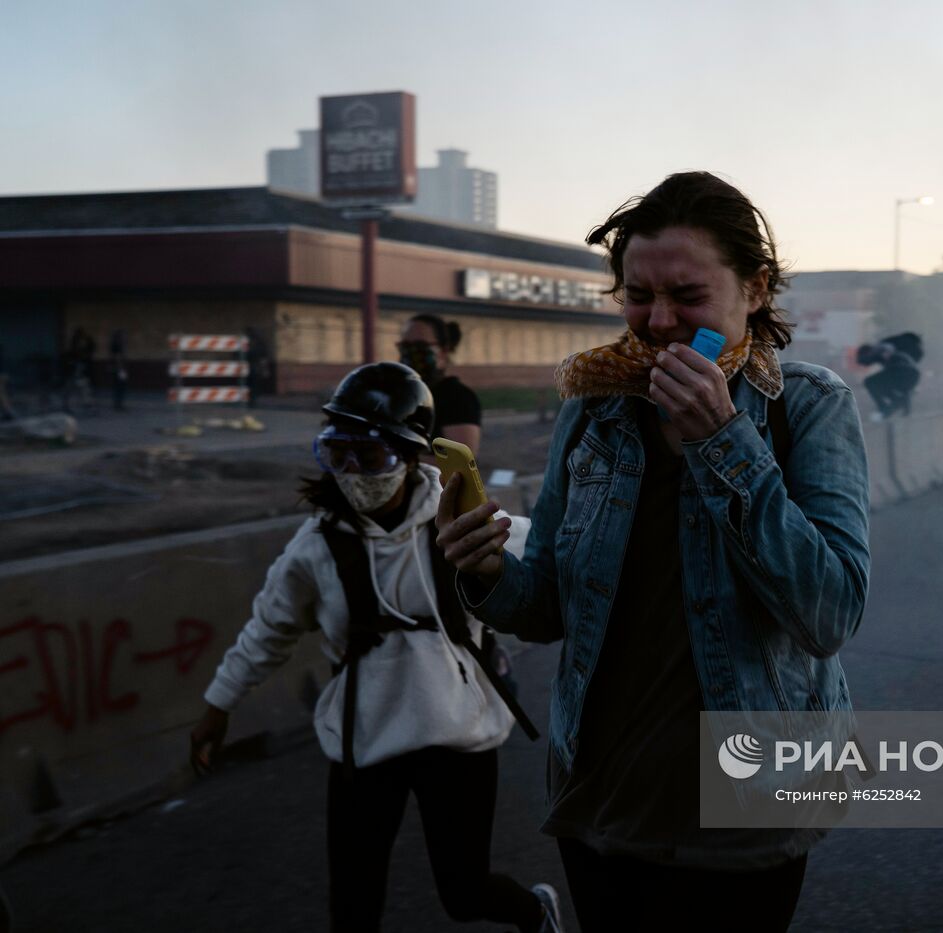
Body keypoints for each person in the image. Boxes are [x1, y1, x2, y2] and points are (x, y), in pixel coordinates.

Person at [435, 171, 871, 931]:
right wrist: (485, 570)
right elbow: (548, 607)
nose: (660, 321)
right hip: (599, 798)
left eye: (689, 297)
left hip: (745, 806)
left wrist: (721, 441)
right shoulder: (595, 409)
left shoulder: (807, 405)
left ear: (755, 289)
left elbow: (828, 611)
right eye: (638, 295)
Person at [188, 362, 563, 933]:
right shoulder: (317, 546)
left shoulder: (466, 520)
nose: (353, 472)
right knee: (354, 905)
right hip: (363, 738)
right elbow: (268, 629)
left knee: (464, 893)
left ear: (411, 454)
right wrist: (219, 704)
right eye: (337, 453)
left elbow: (553, 568)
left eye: (372, 456)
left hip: (457, 733)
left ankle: (535, 910)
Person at [398, 313, 482, 452]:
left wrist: (391, 461)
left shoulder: (457, 398)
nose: (410, 352)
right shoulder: (399, 393)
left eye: (420, 345)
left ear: (443, 351)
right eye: (405, 345)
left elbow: (460, 464)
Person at [856, 334, 921, 420]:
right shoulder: (881, 352)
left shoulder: (878, 348)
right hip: (913, 374)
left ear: (868, 352)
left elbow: (887, 350)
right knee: (889, 386)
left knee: (869, 382)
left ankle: (885, 407)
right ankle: (902, 406)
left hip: (903, 369)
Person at [109, 329, 129, 412]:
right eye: (123, 336)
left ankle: (118, 404)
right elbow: (118, 358)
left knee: (119, 387)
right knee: (120, 387)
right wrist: (121, 369)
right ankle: (118, 405)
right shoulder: (117, 346)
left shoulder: (117, 346)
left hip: (118, 369)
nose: (125, 338)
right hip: (119, 369)